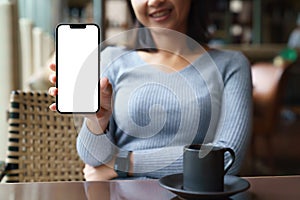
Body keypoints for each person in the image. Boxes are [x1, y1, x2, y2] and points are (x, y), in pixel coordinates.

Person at [48, 0, 252, 181]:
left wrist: (122, 164)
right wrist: (96, 121)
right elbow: (93, 159)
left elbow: (227, 159)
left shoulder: (231, 64)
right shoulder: (113, 59)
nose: (154, 1)